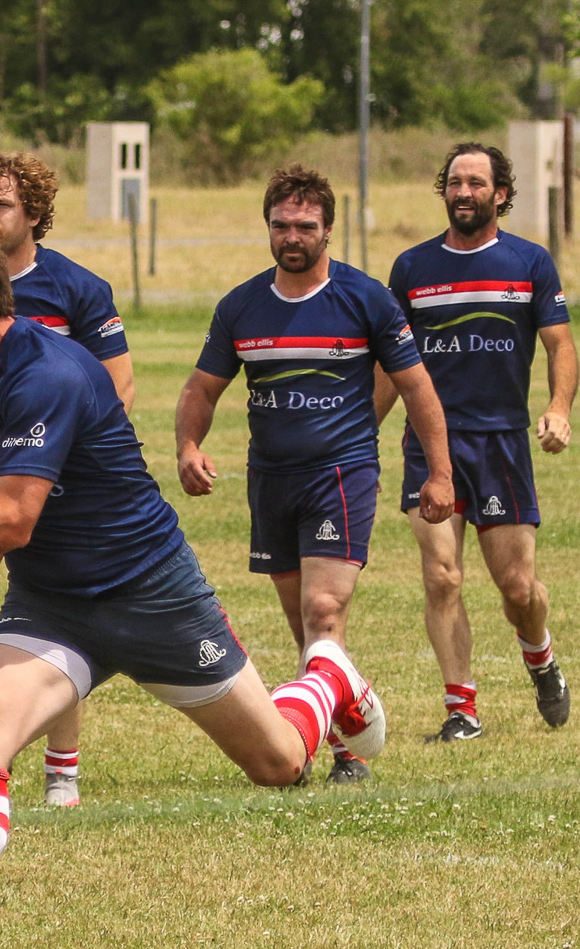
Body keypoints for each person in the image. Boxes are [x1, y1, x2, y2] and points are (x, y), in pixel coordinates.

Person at [0, 227, 385, 949]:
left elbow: (13, 518)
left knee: (279, 762)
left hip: (151, 594)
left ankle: (329, 676)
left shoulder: (49, 373)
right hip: (51, 604)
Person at [175, 164, 454, 777]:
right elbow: (202, 387)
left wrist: (440, 473)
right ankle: (345, 720)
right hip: (270, 479)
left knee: (324, 613)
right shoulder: (241, 307)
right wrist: (189, 446)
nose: (291, 237)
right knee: (306, 625)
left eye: (305, 226)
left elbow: (417, 386)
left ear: (329, 230)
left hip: (340, 474)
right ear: (268, 229)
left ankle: (339, 751)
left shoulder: (366, 299)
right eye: (281, 226)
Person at [0, 151, 136, 809]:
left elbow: (117, 386)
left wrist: (62, 456)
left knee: (61, 622)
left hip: (50, 481)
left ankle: (62, 768)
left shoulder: (78, 289)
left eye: (2, 205)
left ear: (35, 215)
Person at [380, 142, 578, 742]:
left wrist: (558, 408)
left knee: (518, 589)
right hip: (430, 444)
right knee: (442, 576)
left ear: (501, 194)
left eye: (476, 183)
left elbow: (561, 346)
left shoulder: (530, 262)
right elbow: (392, 364)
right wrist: (361, 434)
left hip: (501, 446)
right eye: (454, 182)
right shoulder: (412, 269)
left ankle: (539, 655)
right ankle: (461, 711)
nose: (463, 193)